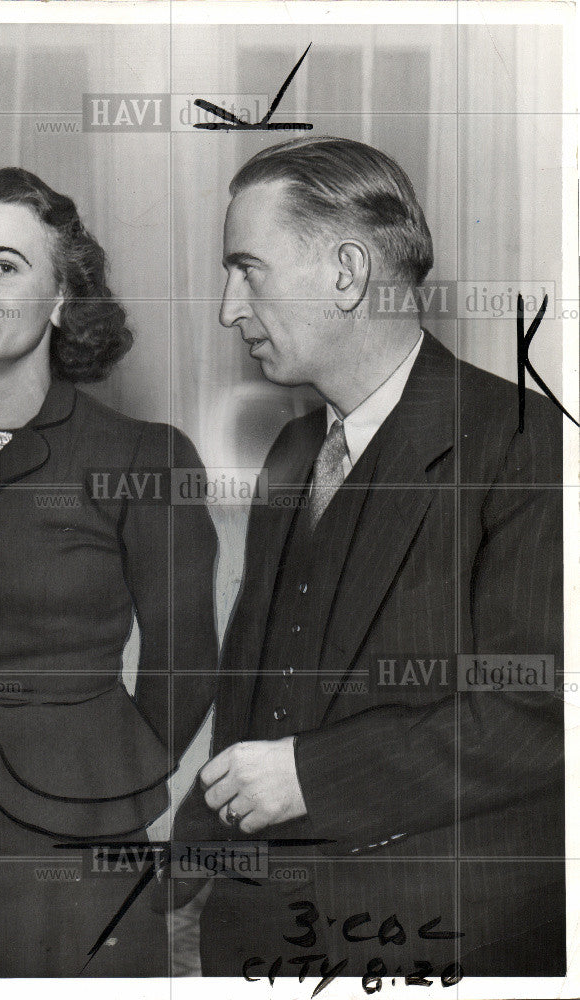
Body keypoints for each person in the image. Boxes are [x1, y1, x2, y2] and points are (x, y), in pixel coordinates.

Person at [172, 136, 564, 978]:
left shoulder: (528, 447)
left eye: (248, 269)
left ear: (348, 273)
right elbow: (256, 695)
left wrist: (311, 776)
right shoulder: (291, 452)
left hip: (447, 940)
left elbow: (535, 717)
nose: (228, 309)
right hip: (262, 938)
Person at [0, 166, 218, 977]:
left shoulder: (143, 457)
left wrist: (109, 762)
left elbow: (185, 660)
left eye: (2, 264)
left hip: (82, 820)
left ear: (63, 297)